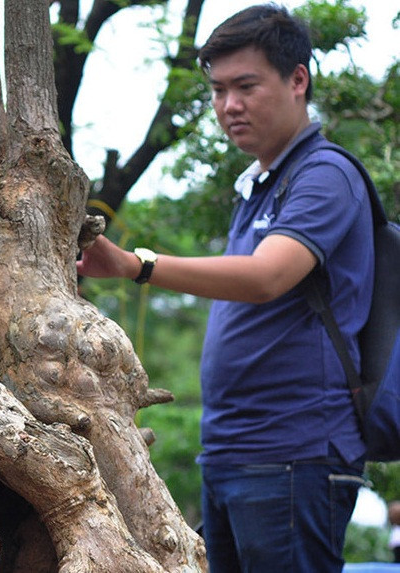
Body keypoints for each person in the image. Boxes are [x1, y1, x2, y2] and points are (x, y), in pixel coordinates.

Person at [76, 4, 374, 572]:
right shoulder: (260, 184)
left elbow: (266, 277)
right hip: (232, 453)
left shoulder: (324, 175)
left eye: (245, 86)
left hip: (294, 454)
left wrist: (136, 265)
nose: (229, 106)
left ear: (297, 80)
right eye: (217, 91)